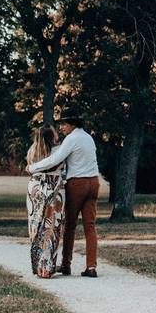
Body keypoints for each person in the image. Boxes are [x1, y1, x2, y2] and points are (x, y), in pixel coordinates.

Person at [26, 105, 100, 278]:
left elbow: (54, 160)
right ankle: (91, 267)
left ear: (72, 123)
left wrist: (32, 167)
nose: (62, 127)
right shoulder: (88, 138)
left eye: (64, 124)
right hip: (94, 182)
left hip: (78, 184)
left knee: (70, 226)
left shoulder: (71, 139)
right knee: (90, 226)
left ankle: (66, 265)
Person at [25, 125, 66, 278]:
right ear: (52, 136)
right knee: (52, 226)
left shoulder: (32, 150)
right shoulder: (59, 150)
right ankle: (47, 268)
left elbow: (30, 168)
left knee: (35, 224)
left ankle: (37, 266)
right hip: (54, 186)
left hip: (35, 186)